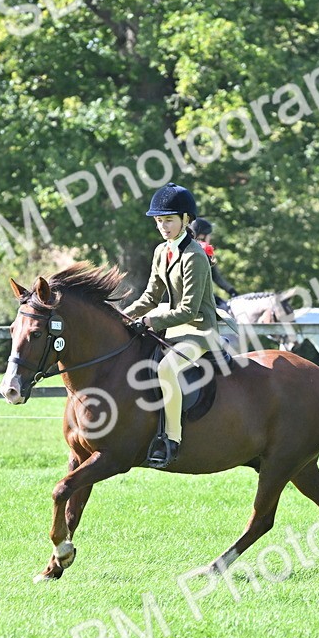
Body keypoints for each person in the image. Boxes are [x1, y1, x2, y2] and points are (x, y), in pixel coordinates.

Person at [123, 183, 225, 469]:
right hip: (174, 329)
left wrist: (150, 321)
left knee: (166, 368)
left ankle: (172, 439)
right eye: (159, 221)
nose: (163, 226)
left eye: (168, 220)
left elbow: (189, 309)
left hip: (200, 330)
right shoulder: (161, 251)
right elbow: (149, 297)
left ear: (186, 220)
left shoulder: (194, 255)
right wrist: (122, 316)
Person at [188, 218, 239, 301]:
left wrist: (231, 290)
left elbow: (216, 277)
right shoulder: (202, 250)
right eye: (209, 234)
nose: (210, 237)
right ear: (202, 235)